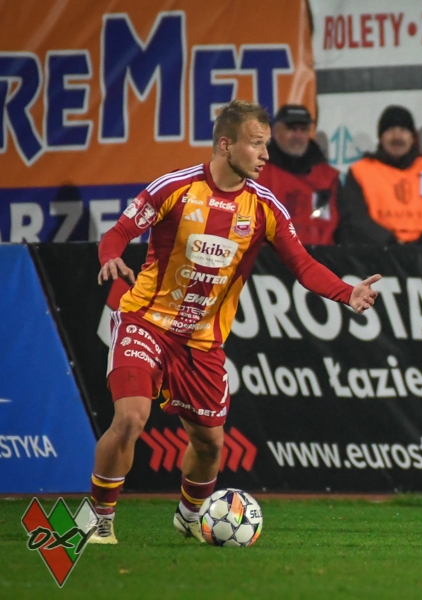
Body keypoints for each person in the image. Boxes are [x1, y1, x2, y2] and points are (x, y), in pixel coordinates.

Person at [88, 100, 380, 544]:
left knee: (210, 444)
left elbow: (302, 264)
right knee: (130, 418)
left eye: (266, 145)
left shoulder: (265, 208)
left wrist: (347, 291)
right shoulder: (175, 188)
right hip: (146, 323)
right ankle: (99, 518)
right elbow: (119, 233)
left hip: (203, 342)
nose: (265, 155)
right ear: (226, 145)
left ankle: (190, 516)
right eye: (256, 144)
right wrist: (110, 257)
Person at [335, 105, 422, 245]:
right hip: (377, 253)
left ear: (413, 137)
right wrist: (390, 243)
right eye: (390, 130)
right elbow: (354, 219)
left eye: (403, 130)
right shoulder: (361, 171)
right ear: (381, 138)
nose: (397, 136)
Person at [256, 104, 341, 245]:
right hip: (268, 257)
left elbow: (341, 228)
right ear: (275, 132)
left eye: (303, 129)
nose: (298, 136)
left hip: (319, 256)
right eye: (291, 129)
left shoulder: (328, 178)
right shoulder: (256, 174)